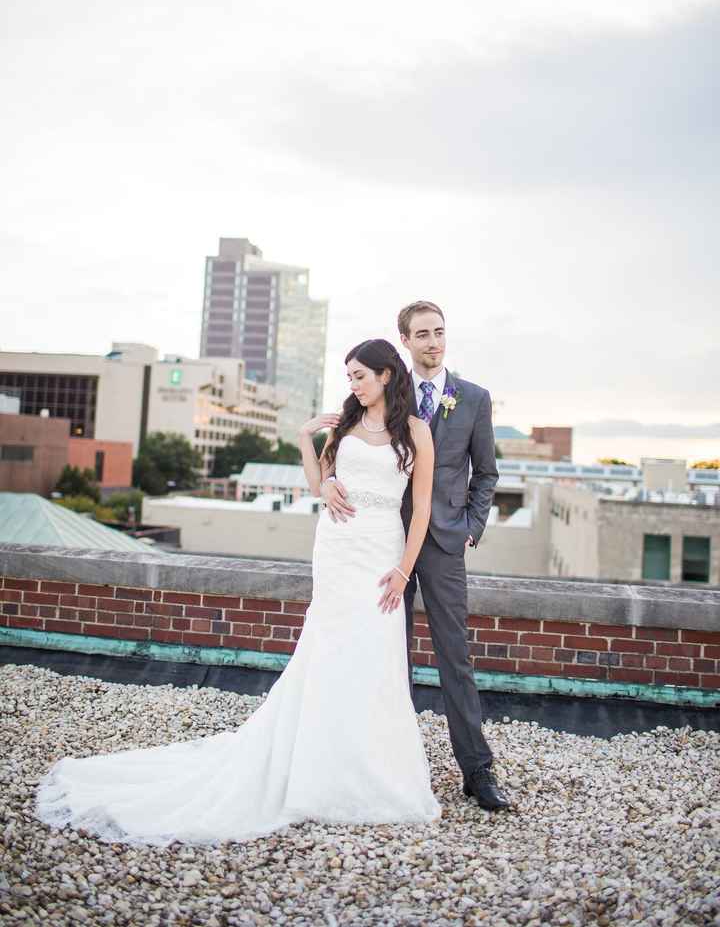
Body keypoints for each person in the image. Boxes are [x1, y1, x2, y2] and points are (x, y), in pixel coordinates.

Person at [33, 339, 441, 847]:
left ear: (386, 375)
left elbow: (422, 507)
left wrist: (403, 571)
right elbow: (319, 484)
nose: (353, 385)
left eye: (360, 375)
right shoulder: (345, 425)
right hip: (338, 549)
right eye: (349, 377)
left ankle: (373, 770)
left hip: (383, 553)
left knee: (376, 654)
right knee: (329, 649)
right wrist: (306, 442)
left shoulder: (417, 431)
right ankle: (316, 767)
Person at [321, 302, 510, 812]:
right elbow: (345, 448)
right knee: (388, 654)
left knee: (455, 657)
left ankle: (477, 770)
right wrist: (329, 481)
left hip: (444, 543)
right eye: (422, 334)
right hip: (384, 542)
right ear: (404, 340)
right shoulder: (383, 391)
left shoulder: (474, 398)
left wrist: (471, 529)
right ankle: (389, 764)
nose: (434, 341)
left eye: (439, 332)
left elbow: (486, 473)